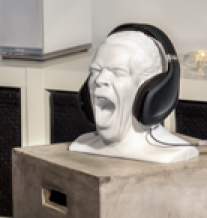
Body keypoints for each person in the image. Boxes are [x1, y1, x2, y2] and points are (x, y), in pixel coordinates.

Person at [69, 30, 198, 163]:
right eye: (95, 70)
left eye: (118, 72)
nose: (100, 80)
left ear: (151, 89)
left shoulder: (174, 153)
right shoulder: (82, 143)